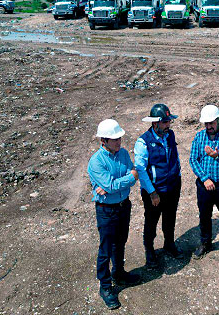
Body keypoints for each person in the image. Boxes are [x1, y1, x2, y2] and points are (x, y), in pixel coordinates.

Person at [88, 119, 141, 310]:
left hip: (123, 205)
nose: (119, 142)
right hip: (106, 210)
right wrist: (126, 179)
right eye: (114, 139)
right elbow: (114, 184)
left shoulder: (124, 153)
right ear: (103, 140)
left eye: (119, 138)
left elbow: (130, 175)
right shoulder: (96, 162)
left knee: (120, 242)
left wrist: (118, 182)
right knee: (105, 248)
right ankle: (105, 286)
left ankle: (119, 273)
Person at [189, 104, 219, 268]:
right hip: (204, 185)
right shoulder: (199, 137)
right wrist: (204, 178)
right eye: (206, 124)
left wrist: (217, 156)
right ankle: (206, 243)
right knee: (204, 215)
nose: (209, 127)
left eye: (211, 123)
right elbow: (193, 160)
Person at [134, 104, 183, 269]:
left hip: (172, 187)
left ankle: (169, 243)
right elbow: (141, 169)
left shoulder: (170, 135)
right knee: (151, 221)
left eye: (169, 121)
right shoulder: (143, 142)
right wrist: (152, 192)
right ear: (155, 123)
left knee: (170, 218)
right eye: (165, 122)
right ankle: (150, 251)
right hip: (154, 191)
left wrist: (178, 177)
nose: (168, 124)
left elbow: (174, 157)